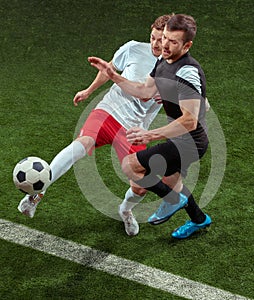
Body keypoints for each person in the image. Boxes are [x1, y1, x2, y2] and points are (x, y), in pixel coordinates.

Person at [17, 15, 174, 237]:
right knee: (82, 144)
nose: (156, 44)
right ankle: (37, 194)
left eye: (161, 40)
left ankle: (125, 210)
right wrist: (89, 90)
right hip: (109, 111)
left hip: (133, 129)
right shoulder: (133, 49)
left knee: (140, 184)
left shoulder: (173, 68)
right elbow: (108, 68)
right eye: (153, 38)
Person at [88, 14, 212, 239]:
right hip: (178, 138)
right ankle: (199, 219)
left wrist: (149, 135)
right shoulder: (163, 61)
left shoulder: (188, 72)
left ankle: (172, 200)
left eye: (173, 41)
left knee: (131, 166)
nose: (164, 44)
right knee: (171, 180)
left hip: (191, 142)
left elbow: (190, 120)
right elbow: (145, 90)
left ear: (187, 45)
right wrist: (113, 76)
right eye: (164, 37)